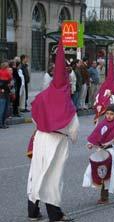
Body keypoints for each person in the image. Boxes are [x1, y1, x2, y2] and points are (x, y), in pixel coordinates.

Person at [27, 39, 79, 222]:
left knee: (36, 172)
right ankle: (54, 214)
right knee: (53, 177)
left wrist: (41, 126)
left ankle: (33, 211)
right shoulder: (66, 101)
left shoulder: (42, 96)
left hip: (41, 137)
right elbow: (73, 127)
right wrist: (73, 137)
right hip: (57, 141)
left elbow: (34, 116)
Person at [83, 104, 114, 205]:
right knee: (103, 172)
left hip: (113, 152)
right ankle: (104, 197)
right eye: (107, 113)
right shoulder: (102, 124)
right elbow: (96, 136)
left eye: (111, 114)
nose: (109, 116)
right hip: (102, 151)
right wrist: (91, 144)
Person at [94, 54, 114, 124]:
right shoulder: (104, 86)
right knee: (101, 124)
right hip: (102, 110)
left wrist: (111, 97)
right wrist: (98, 103)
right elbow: (99, 95)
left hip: (112, 109)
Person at [0, 62, 12, 128]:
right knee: (3, 109)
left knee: (3, 109)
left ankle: (2, 123)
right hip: (4, 92)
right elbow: (9, 81)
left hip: (4, 92)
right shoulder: (6, 73)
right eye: (7, 66)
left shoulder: (5, 72)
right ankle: (2, 123)